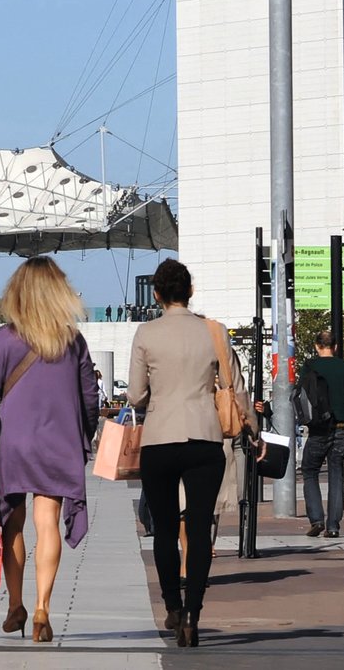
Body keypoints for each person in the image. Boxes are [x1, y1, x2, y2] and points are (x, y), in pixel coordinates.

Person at [0, 257, 99, 647]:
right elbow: (90, 397)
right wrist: (84, 436)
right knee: (48, 523)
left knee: (12, 522)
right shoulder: (72, 340)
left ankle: (16, 604)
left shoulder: (2, 339)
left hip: (15, 444)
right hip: (58, 442)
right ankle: (43, 607)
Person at [129, 259, 243, 649]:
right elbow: (233, 386)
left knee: (162, 529)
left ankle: (172, 606)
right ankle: (194, 613)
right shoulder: (214, 332)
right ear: (190, 291)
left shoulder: (146, 333)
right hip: (204, 438)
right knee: (197, 530)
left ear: (157, 294)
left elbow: (135, 395)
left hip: (159, 439)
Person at [298, 330, 344, 541]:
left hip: (317, 427)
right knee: (336, 472)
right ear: (335, 347)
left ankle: (316, 519)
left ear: (317, 346)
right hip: (339, 426)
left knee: (309, 470)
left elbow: (300, 395)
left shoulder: (309, 366)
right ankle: (333, 525)